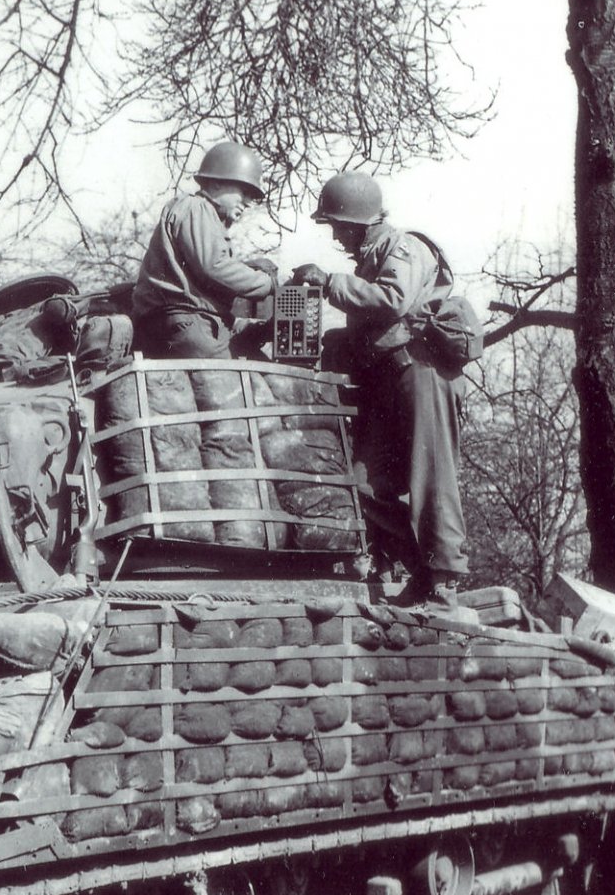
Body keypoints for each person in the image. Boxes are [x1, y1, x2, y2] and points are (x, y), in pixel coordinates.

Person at [294, 171, 470, 606]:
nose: (335, 236)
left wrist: (329, 283)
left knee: (431, 478)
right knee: (363, 484)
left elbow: (393, 299)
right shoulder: (371, 258)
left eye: (338, 226)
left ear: (358, 222)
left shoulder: (404, 247)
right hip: (388, 380)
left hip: (422, 373)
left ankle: (444, 580)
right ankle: (420, 569)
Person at [131, 141, 278, 357]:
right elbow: (215, 266)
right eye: (244, 192)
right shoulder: (196, 207)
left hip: (193, 322)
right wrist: (269, 284)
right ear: (216, 184)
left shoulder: (204, 216)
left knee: (258, 364)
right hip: (185, 322)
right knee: (234, 376)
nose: (248, 202)